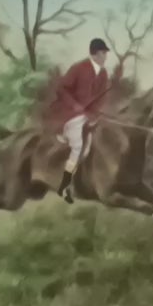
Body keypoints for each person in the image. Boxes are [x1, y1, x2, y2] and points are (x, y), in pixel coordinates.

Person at [46, 38, 116, 201]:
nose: (105, 56)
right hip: (70, 114)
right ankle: (64, 185)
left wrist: (96, 112)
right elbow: (61, 89)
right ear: (95, 53)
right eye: (103, 53)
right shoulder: (78, 68)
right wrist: (74, 105)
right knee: (77, 146)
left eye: (105, 53)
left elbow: (102, 98)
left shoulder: (103, 73)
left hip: (90, 116)